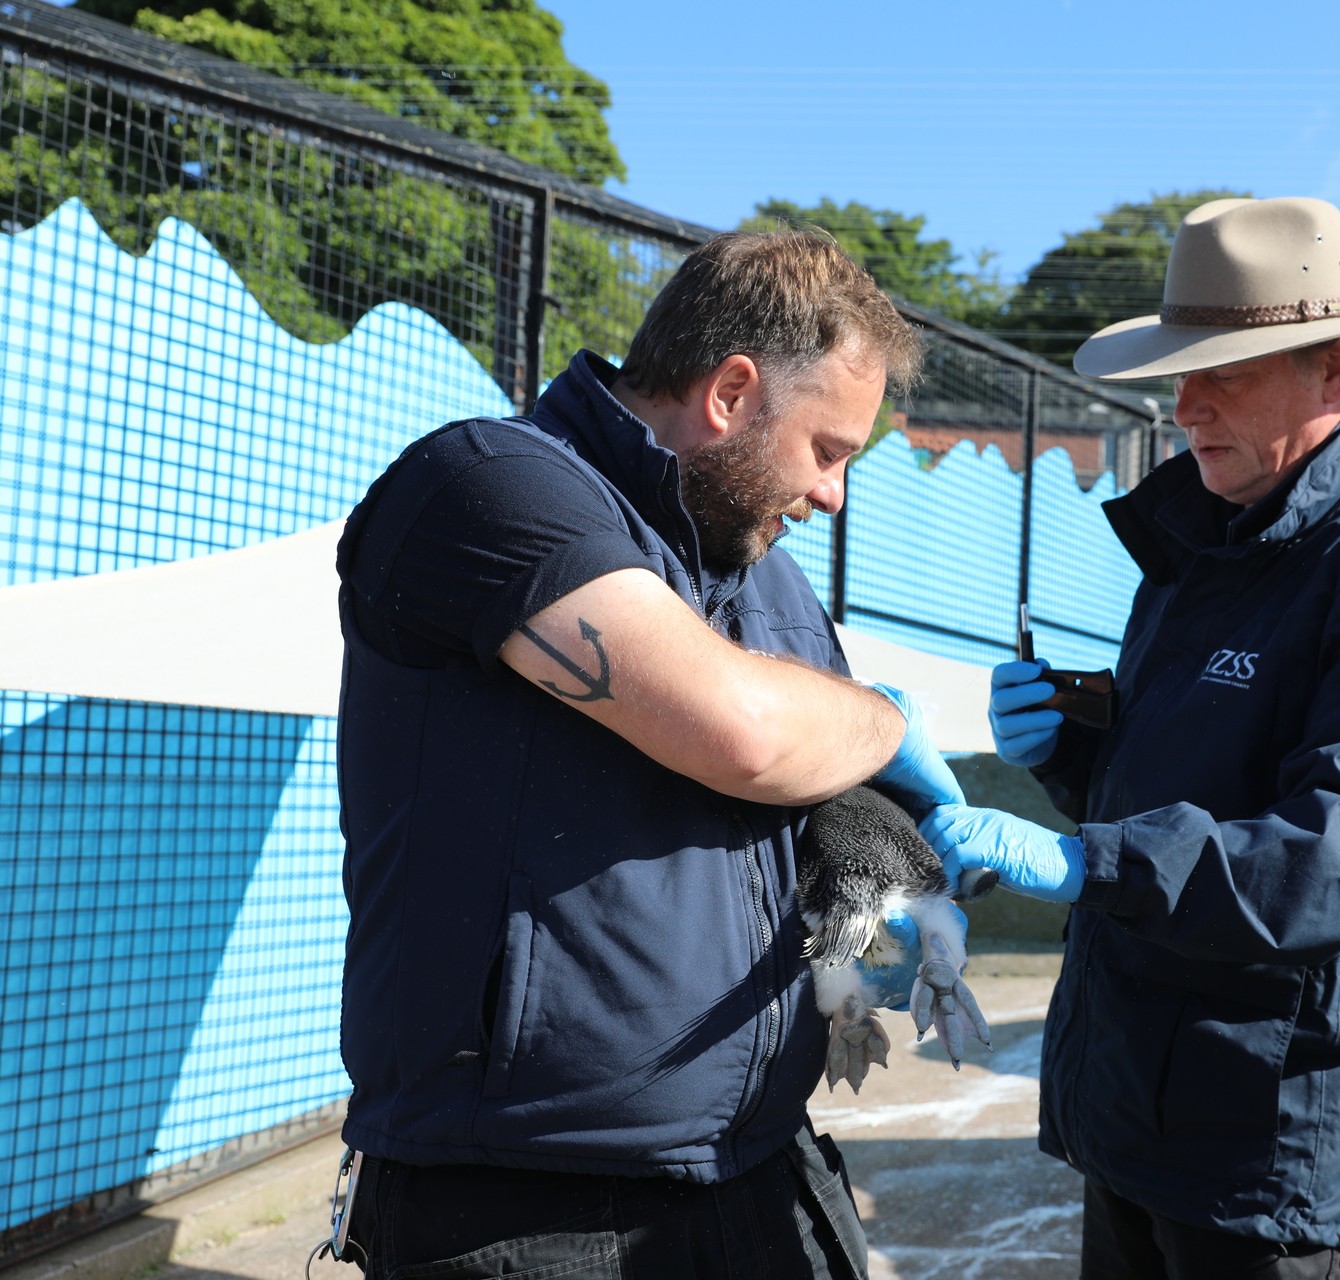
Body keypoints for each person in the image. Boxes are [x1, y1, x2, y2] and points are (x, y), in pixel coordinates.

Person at [331, 230, 965, 1280]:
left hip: (760, 1164)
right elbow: (748, 731)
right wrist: (893, 722)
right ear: (730, 392)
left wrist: (863, 817)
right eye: (830, 449)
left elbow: (815, 756)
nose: (835, 494)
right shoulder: (487, 488)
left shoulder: (768, 576)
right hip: (528, 1208)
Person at [919, 196, 1340, 1278]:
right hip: (1134, 1104)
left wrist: (1078, 856)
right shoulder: (1200, 544)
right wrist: (1070, 751)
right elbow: (1179, 786)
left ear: (1333, 368)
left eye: (1223, 370)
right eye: (1178, 371)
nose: (1184, 404)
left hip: (1272, 1138)